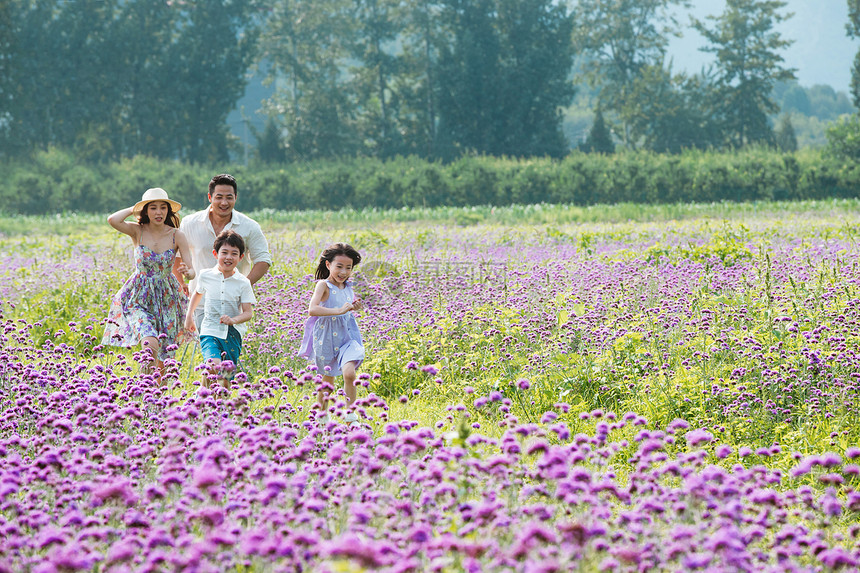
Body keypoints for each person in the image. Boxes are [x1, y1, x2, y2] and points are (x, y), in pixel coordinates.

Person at [102, 188, 195, 378]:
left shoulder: (177, 235)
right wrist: (134, 208)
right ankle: (144, 391)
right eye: (153, 208)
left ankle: (159, 400)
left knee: (166, 358)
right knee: (150, 345)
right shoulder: (137, 231)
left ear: (169, 211)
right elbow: (113, 220)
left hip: (167, 297)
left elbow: (192, 271)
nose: (159, 213)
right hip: (138, 296)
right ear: (145, 211)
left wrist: (188, 272)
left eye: (163, 208)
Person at [178, 173, 271, 328]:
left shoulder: (249, 226)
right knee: (207, 349)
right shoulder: (190, 223)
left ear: (236, 198)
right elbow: (177, 256)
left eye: (229, 197)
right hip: (200, 303)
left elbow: (263, 260)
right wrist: (181, 284)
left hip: (233, 306)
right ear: (210, 197)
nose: (224, 202)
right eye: (219, 197)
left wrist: (242, 285)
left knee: (230, 350)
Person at [299, 243, 364, 424]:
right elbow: (312, 309)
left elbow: (347, 308)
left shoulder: (348, 287)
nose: (343, 272)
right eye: (339, 267)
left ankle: (351, 416)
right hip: (326, 337)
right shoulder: (323, 285)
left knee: (349, 373)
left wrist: (355, 307)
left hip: (347, 337)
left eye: (348, 268)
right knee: (327, 381)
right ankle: (322, 417)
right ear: (328, 265)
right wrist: (338, 311)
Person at [184, 230, 257, 388]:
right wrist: (189, 316)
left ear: (241, 257)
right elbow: (197, 294)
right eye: (224, 252)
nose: (228, 257)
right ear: (215, 254)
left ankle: (212, 404)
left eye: (234, 253)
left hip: (233, 333)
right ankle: (205, 402)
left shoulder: (243, 283)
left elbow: (248, 313)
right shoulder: (205, 275)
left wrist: (233, 320)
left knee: (225, 378)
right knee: (213, 366)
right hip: (210, 329)